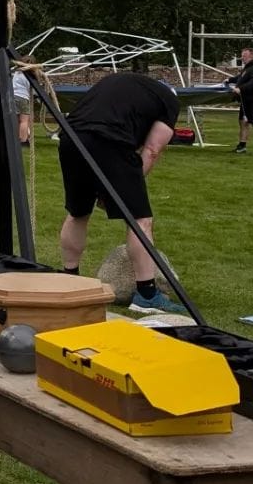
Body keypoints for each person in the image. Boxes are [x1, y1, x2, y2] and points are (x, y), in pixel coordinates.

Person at [56, 69, 180, 312]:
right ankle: (146, 295)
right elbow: (153, 149)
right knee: (140, 219)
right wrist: (122, 187)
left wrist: (109, 188)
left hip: (70, 138)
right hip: (109, 139)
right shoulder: (169, 101)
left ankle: (69, 279)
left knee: (77, 212)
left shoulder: (122, 82)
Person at [228, 48, 253, 156]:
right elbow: (241, 78)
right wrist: (229, 80)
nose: (242, 58)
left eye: (244, 56)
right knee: (243, 122)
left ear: (251, 57)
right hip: (246, 100)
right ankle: (242, 146)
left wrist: (241, 89)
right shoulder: (247, 68)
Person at [11, 68, 32, 147]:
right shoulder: (28, 75)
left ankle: (15, 139)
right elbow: (29, 85)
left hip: (13, 95)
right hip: (23, 96)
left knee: (16, 119)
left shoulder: (17, 73)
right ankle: (23, 140)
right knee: (24, 120)